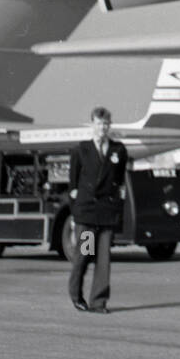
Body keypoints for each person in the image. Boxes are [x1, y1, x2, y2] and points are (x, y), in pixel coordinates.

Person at [67, 107, 127, 314]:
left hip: (106, 214)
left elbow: (119, 181)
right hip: (88, 215)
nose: (103, 128)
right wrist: (77, 215)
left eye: (106, 124)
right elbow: (73, 186)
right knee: (84, 255)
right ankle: (76, 295)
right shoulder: (81, 150)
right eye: (99, 123)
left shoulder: (118, 150)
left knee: (104, 260)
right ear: (92, 124)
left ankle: (98, 301)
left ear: (110, 125)